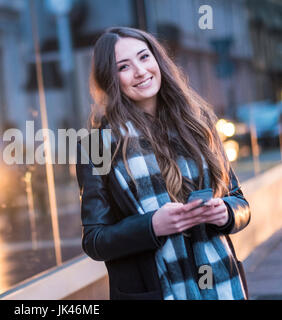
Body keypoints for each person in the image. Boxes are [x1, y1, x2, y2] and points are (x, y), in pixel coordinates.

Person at [76, 27, 251, 300]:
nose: (140, 71)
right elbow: (95, 241)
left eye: (144, 57)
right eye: (124, 66)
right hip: (156, 289)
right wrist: (152, 226)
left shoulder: (198, 123)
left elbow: (238, 201)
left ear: (158, 60)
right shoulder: (96, 145)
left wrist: (226, 213)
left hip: (222, 285)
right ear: (110, 78)